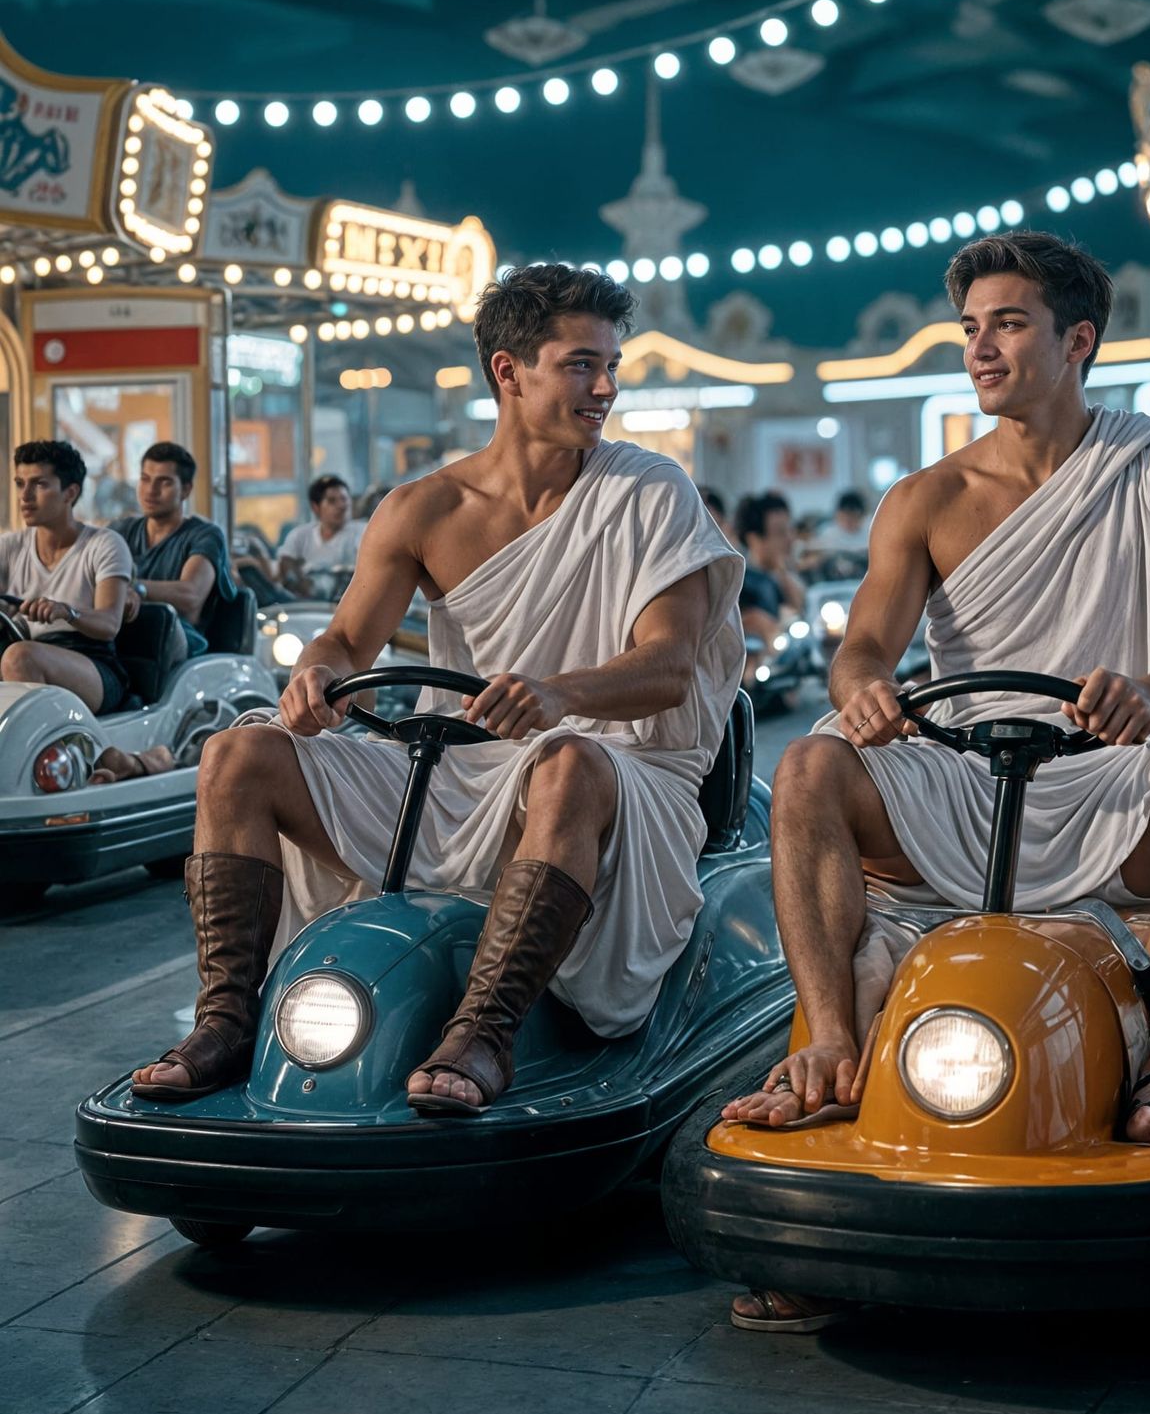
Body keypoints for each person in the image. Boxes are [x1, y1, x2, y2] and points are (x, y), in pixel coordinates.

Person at [723, 232, 1150, 1308]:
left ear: (1078, 341)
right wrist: (860, 688)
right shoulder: (925, 498)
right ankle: (831, 1050)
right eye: (972, 327)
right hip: (972, 774)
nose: (980, 348)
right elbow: (863, 649)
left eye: (1009, 324)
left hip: (1124, 767)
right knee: (808, 766)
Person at [130, 264, 743, 1114]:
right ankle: (226, 1019)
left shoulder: (650, 492)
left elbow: (670, 667)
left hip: (612, 770)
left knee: (563, 762)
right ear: (507, 371)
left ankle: (484, 1033)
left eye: (611, 364)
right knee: (240, 754)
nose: (606, 386)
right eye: (580, 364)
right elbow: (347, 639)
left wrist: (559, 695)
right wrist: (318, 674)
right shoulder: (421, 509)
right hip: (463, 764)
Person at [1, 441, 132, 713]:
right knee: (19, 654)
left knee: (20, 656)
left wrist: (66, 612)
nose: (25, 496)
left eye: (39, 484)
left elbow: (109, 624)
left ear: (70, 493)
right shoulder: (10, 545)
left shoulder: (105, 543)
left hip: (94, 664)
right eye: (19, 483)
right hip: (28, 649)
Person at [110, 442, 237, 657]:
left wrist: (132, 587)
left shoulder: (204, 535)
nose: (151, 490)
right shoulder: (121, 530)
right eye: (145, 479)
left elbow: (190, 595)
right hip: (122, 631)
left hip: (178, 640)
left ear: (186, 489)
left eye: (164, 482)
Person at [277, 475, 366, 597]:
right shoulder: (300, 536)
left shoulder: (364, 533)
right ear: (315, 507)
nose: (341, 506)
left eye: (344, 499)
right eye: (332, 501)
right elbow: (285, 562)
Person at [738, 491, 806, 644]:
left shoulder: (786, 575)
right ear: (754, 539)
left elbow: (801, 613)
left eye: (790, 530)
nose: (789, 539)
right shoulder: (741, 582)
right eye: (780, 532)